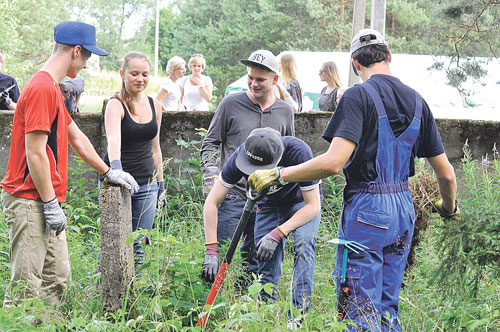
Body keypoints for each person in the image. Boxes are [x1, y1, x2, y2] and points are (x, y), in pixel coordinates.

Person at [249, 29, 458, 332]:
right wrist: (448, 208)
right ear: (389, 57)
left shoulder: (357, 96)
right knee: (388, 308)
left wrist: (280, 174)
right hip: (403, 211)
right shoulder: (418, 102)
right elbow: (447, 174)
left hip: (368, 212)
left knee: (359, 310)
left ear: (356, 65)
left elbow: (334, 163)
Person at [0, 21, 139, 307]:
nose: (87, 65)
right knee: (25, 288)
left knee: (57, 280)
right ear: (76, 51)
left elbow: (76, 137)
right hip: (29, 200)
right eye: (87, 56)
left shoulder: (52, 88)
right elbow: (35, 153)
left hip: (45, 200)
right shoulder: (40, 88)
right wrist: (51, 204)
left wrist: (109, 171)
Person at [202, 128, 321, 329]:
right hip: (269, 206)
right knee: (263, 255)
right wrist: (211, 250)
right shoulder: (242, 154)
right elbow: (212, 202)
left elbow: (314, 206)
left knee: (303, 245)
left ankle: (299, 315)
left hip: (301, 203)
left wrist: (278, 233)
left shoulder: (298, 152)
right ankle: (266, 311)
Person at [200, 49, 294, 289]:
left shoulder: (285, 111)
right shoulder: (231, 104)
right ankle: (214, 306)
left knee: (256, 260)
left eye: (260, 79)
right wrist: (211, 178)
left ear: (274, 80)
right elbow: (210, 142)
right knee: (220, 255)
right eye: (250, 77)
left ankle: (245, 306)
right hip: (233, 192)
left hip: (267, 199)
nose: (253, 83)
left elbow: (288, 152)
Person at [102, 51, 164, 267]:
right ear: (123, 73)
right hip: (117, 184)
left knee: (139, 241)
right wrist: (117, 171)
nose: (140, 79)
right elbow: (113, 140)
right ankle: (105, 295)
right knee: (114, 242)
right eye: (135, 74)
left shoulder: (155, 105)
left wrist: (161, 183)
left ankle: (132, 295)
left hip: (147, 184)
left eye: (145, 74)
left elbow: (156, 148)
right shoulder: (115, 105)